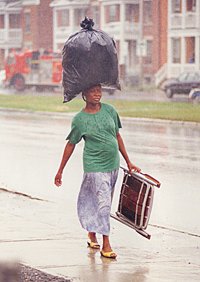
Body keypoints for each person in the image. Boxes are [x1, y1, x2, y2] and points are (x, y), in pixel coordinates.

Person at [54, 84, 141, 259]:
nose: (97, 94)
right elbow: (71, 144)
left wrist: (129, 162)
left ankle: (92, 233)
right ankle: (106, 245)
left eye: (99, 91)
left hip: (113, 165)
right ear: (84, 93)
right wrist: (60, 170)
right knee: (103, 205)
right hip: (94, 166)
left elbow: (117, 136)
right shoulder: (79, 119)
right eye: (93, 91)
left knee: (102, 202)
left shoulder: (110, 110)